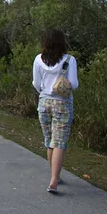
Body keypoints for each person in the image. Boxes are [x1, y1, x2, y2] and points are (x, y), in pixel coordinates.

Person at [32, 29, 78, 194]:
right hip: (62, 104)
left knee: (49, 140)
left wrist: (46, 91)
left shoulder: (38, 59)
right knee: (59, 143)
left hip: (44, 103)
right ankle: (54, 180)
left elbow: (36, 84)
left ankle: (55, 176)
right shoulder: (69, 60)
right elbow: (74, 84)